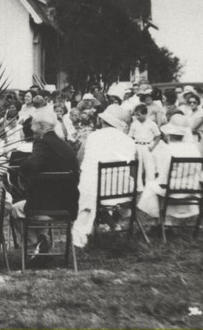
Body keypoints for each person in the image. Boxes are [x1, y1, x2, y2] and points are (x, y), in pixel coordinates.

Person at [10, 109, 80, 255]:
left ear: (41, 126)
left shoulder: (42, 143)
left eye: (33, 124)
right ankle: (42, 240)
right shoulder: (63, 146)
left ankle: (33, 247)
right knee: (35, 201)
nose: (30, 127)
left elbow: (30, 166)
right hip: (67, 205)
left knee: (16, 209)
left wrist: (22, 171)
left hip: (46, 206)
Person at [73, 104, 136, 248]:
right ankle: (114, 223)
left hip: (99, 191)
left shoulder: (92, 137)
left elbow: (79, 160)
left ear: (102, 121)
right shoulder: (129, 140)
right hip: (123, 192)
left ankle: (109, 223)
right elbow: (133, 165)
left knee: (85, 188)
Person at [137, 115, 203, 221]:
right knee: (160, 186)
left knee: (151, 186)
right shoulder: (194, 148)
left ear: (169, 134)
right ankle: (168, 221)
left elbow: (164, 175)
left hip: (172, 189)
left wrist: (159, 181)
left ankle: (160, 221)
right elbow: (200, 173)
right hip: (192, 188)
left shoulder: (169, 149)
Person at [129, 104, 160, 191]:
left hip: (147, 146)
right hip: (137, 146)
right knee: (138, 167)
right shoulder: (134, 124)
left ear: (145, 114)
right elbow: (130, 137)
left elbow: (158, 136)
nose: (137, 116)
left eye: (139, 114)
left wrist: (153, 146)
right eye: (135, 114)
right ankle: (139, 187)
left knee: (149, 167)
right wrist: (133, 148)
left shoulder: (151, 123)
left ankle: (150, 187)